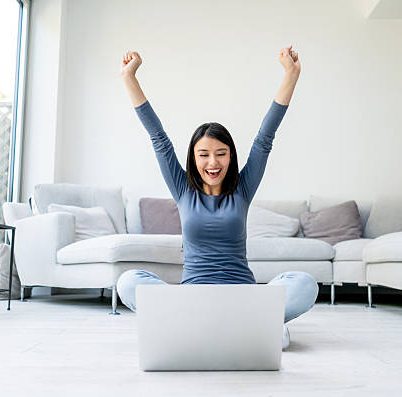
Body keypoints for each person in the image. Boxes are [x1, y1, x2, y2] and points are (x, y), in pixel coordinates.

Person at [117, 46, 318, 349]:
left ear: (231, 156)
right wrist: (129, 77)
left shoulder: (242, 189)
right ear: (193, 159)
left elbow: (265, 138)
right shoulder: (183, 189)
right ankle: (249, 327)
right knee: (129, 281)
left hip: (243, 295)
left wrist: (291, 74)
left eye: (221, 154)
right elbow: (158, 138)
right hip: (193, 297)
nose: (213, 163)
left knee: (304, 283)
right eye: (204, 155)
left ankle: (206, 326)